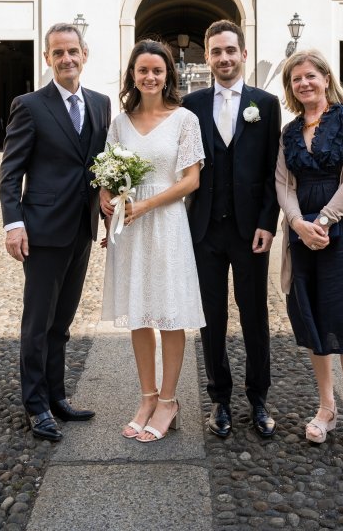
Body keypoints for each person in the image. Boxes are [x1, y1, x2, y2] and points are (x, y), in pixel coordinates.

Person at [0, 23, 111, 442]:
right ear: (47, 59)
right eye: (58, 53)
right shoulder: (29, 105)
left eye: (73, 51)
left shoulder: (100, 105)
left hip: (80, 230)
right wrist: (14, 224)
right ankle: (35, 405)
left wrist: (105, 217)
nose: (66, 59)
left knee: (62, 322)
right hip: (42, 231)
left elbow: (99, 166)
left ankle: (58, 396)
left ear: (85, 54)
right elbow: (11, 172)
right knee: (38, 323)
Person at [99, 39, 205, 443]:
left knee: (169, 312)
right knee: (140, 311)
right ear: (132, 75)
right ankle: (146, 397)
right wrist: (104, 195)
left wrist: (146, 206)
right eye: (142, 70)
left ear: (168, 76)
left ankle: (169, 400)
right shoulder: (119, 122)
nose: (150, 76)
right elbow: (106, 173)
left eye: (157, 71)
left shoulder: (184, 120)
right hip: (129, 225)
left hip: (165, 223)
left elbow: (192, 180)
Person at [275, 49, 343, 456]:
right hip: (303, 233)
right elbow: (283, 182)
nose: (304, 83)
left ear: (325, 77)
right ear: (291, 88)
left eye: (310, 76)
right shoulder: (288, 131)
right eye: (296, 79)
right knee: (314, 318)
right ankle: (326, 407)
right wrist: (298, 223)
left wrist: (326, 219)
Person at [182, 20, 281, 439]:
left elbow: (275, 169)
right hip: (204, 230)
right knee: (212, 318)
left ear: (243, 54)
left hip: (249, 232)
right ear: (207, 57)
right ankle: (220, 398)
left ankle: (258, 398)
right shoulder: (192, 105)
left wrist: (267, 224)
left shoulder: (266, 103)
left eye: (230, 50)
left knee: (255, 315)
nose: (224, 58)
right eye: (216, 51)